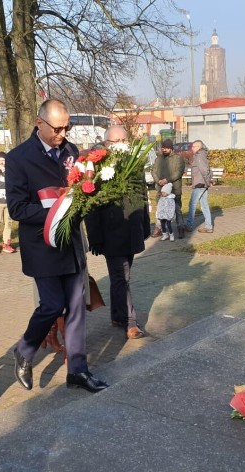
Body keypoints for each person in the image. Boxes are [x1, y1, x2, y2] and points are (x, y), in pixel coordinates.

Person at [5, 98, 109, 393]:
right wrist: (56, 212)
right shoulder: (18, 158)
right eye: (58, 128)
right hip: (43, 244)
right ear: (39, 123)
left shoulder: (72, 152)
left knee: (76, 307)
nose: (63, 134)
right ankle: (24, 350)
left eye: (67, 127)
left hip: (71, 244)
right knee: (52, 304)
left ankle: (78, 370)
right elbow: (17, 208)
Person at [84, 125, 150, 340]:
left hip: (131, 231)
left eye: (124, 140)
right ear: (106, 145)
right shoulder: (97, 167)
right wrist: (95, 238)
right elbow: (91, 206)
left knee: (120, 278)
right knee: (122, 277)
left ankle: (117, 316)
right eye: (116, 141)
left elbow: (143, 196)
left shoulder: (135, 165)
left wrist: (145, 226)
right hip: (110, 234)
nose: (122, 144)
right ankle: (130, 322)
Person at [153, 139, 186, 239]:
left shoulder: (178, 158)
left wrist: (167, 180)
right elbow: (153, 171)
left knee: (177, 210)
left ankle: (181, 228)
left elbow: (179, 172)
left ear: (171, 148)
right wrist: (158, 180)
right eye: (163, 148)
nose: (164, 150)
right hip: (160, 189)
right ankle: (159, 228)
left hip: (174, 189)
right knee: (160, 210)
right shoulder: (158, 158)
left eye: (166, 148)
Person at [185, 140, 214, 233]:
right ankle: (208, 226)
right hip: (202, 183)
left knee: (192, 204)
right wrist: (209, 181)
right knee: (204, 205)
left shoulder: (199, 156)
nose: (192, 148)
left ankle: (189, 225)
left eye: (193, 147)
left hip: (200, 184)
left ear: (198, 147)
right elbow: (208, 169)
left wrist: (208, 181)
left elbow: (204, 170)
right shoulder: (201, 155)